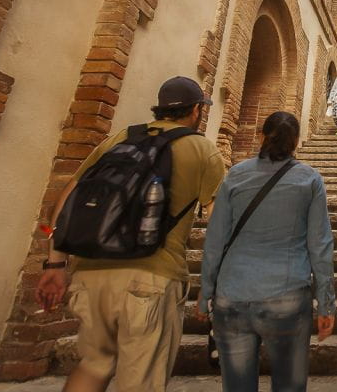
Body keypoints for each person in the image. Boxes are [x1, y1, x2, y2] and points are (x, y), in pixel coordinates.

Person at [35, 77, 226, 392]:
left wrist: (55, 265)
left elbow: (66, 201)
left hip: (91, 273)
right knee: (141, 381)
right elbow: (218, 226)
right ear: (196, 111)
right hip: (152, 279)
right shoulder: (202, 149)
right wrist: (214, 286)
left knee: (93, 365)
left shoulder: (121, 138)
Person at [199, 111, 335, 392]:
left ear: (262, 136)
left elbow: (215, 240)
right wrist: (326, 303)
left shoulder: (235, 175)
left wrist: (205, 292)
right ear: (296, 142)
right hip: (287, 298)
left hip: (232, 296)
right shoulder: (310, 180)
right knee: (289, 386)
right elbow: (320, 245)